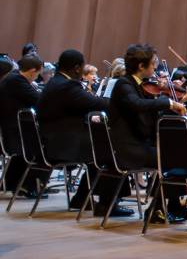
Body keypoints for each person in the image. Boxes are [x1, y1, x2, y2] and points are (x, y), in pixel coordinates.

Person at [36, 49, 125, 215]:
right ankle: (107, 203)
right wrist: (121, 100)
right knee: (113, 151)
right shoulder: (67, 86)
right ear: (77, 68)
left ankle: (82, 198)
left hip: (51, 139)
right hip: (61, 144)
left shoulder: (56, 82)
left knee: (103, 149)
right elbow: (97, 103)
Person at [107, 44, 187, 221]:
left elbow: (149, 113)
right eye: (153, 64)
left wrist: (175, 103)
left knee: (174, 155)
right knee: (173, 159)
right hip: (126, 148)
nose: (155, 68)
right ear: (141, 67)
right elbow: (138, 105)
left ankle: (171, 206)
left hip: (136, 143)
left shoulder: (138, 85)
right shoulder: (124, 84)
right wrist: (168, 103)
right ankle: (158, 208)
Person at [0, 54, 42, 194]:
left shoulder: (13, 78)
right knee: (40, 147)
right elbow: (38, 100)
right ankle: (26, 184)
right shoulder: (17, 80)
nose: (37, 77)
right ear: (32, 71)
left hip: (11, 127)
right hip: (11, 131)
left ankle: (12, 183)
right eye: (37, 74)